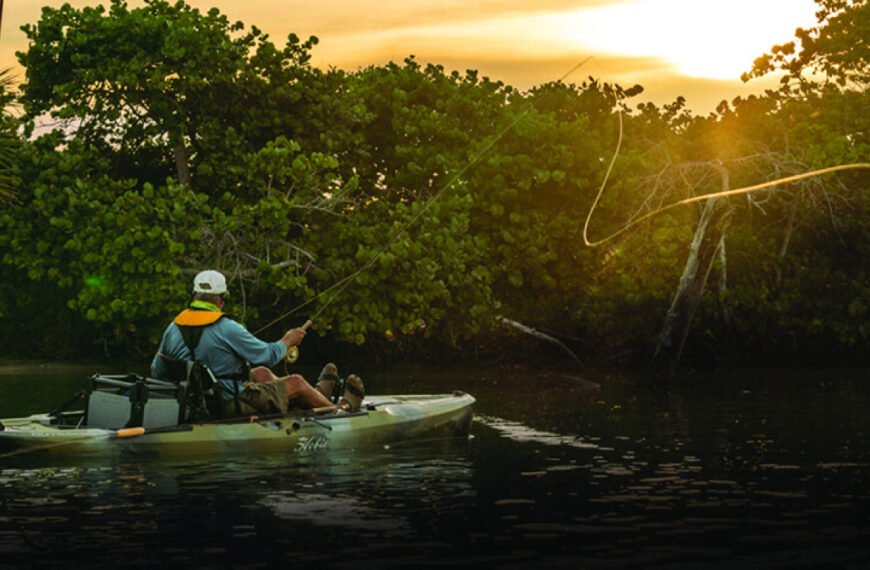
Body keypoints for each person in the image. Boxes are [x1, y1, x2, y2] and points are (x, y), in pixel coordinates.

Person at [150, 269, 364, 417]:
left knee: (260, 373)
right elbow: (268, 355)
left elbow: (157, 370)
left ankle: (313, 398)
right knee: (296, 381)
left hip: (196, 403)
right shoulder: (227, 327)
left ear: (195, 295)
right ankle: (339, 410)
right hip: (228, 404)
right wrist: (288, 340)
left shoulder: (173, 327)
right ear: (222, 298)